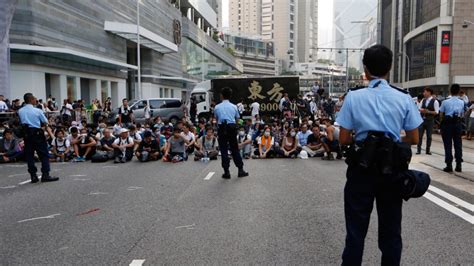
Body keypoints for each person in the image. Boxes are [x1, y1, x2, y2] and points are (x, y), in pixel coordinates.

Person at [336, 45, 422, 265]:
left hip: (361, 169)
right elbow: (414, 138)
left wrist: (367, 141)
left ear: (365, 69)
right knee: (391, 232)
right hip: (391, 169)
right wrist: (390, 140)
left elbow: (344, 139)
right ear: (390, 68)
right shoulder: (403, 97)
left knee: (355, 233)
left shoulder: (354, 97)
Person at [18, 93, 59, 183]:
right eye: (34, 99)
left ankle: (33, 175)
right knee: (44, 154)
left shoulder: (20, 111)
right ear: (31, 99)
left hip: (27, 134)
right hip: (37, 133)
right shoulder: (37, 111)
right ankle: (45, 174)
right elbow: (45, 122)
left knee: (29, 155)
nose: (35, 100)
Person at [214, 87, 248, 179]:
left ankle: (226, 172)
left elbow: (216, 119)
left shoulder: (217, 107)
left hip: (221, 127)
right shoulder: (234, 106)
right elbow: (237, 119)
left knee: (224, 150)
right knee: (234, 149)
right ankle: (240, 170)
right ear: (230, 96)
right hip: (231, 127)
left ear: (222, 95)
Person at [439, 84, 465, 172]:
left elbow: (441, 114)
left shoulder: (445, 102)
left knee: (448, 145)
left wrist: (442, 123)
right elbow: (462, 114)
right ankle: (458, 165)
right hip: (457, 124)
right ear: (458, 91)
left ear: (450, 91)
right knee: (458, 144)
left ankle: (449, 165)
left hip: (447, 124)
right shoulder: (462, 102)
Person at [416, 87, 439, 155]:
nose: (424, 93)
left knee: (429, 136)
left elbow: (437, 112)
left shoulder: (435, 101)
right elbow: (419, 109)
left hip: (430, 120)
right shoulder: (423, 100)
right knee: (419, 136)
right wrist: (422, 110)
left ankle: (427, 150)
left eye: (425, 92)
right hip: (422, 120)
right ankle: (418, 150)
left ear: (429, 92)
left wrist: (429, 112)